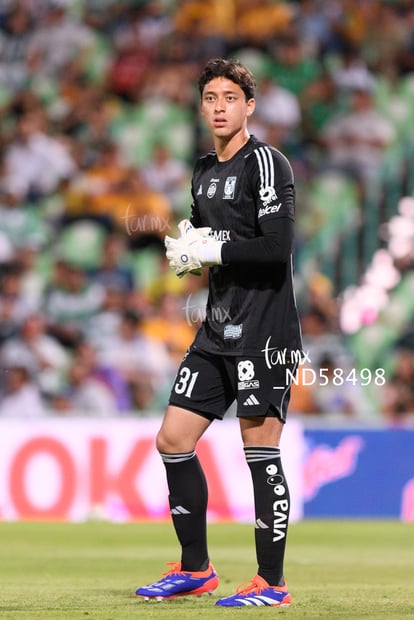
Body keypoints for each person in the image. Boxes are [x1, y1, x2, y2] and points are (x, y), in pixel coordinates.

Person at [135, 58, 302, 607]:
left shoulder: (268, 163)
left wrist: (213, 248)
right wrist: (190, 253)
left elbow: (276, 250)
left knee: (259, 447)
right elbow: (211, 243)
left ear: (249, 106)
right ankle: (195, 570)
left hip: (265, 331)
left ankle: (272, 584)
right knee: (173, 440)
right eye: (211, 98)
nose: (220, 106)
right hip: (217, 330)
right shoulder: (203, 170)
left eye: (231, 97)